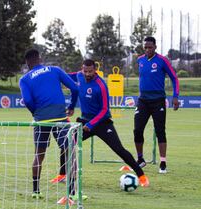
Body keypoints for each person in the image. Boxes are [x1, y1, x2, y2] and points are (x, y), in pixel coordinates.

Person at [67, 59, 149, 188]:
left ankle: (141, 175)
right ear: (82, 69)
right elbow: (65, 77)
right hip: (84, 121)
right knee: (68, 144)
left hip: (102, 123)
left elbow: (105, 109)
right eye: (85, 71)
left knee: (119, 149)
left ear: (95, 70)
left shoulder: (101, 85)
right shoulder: (79, 75)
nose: (87, 74)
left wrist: (91, 124)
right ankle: (62, 175)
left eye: (90, 71)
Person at [19, 49, 79, 199]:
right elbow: (75, 88)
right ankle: (72, 193)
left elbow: (27, 100)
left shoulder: (24, 79)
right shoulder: (55, 70)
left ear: (27, 62)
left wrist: (35, 113)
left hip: (41, 120)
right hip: (60, 118)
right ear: (40, 58)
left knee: (39, 155)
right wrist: (71, 106)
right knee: (70, 152)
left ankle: (36, 191)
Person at [134, 36, 180, 174]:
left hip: (158, 100)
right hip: (142, 100)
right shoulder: (140, 60)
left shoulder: (162, 60)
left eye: (150, 47)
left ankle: (163, 162)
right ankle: (140, 159)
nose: (147, 49)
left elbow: (174, 78)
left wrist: (175, 97)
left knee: (160, 130)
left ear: (155, 47)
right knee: (137, 130)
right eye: (146, 47)